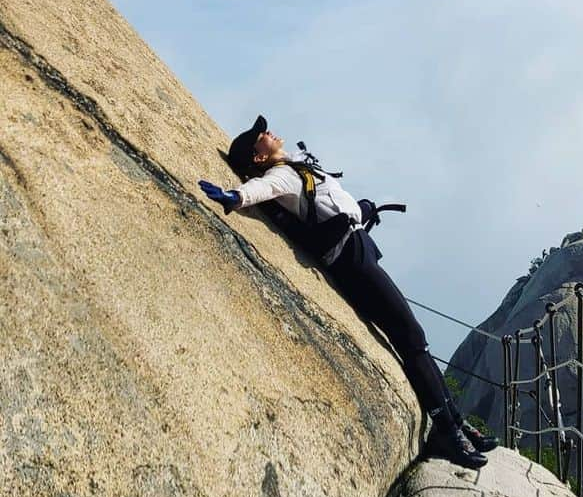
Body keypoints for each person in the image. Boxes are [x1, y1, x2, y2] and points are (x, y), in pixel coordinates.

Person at [200, 115, 494, 471]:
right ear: (258, 158)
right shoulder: (282, 176)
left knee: (412, 337)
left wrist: (365, 208)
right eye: (258, 137)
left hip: (359, 249)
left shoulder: (298, 167)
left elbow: (334, 203)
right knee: (410, 336)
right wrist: (235, 196)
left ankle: (456, 422)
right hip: (350, 259)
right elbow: (263, 189)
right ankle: (446, 431)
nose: (266, 132)